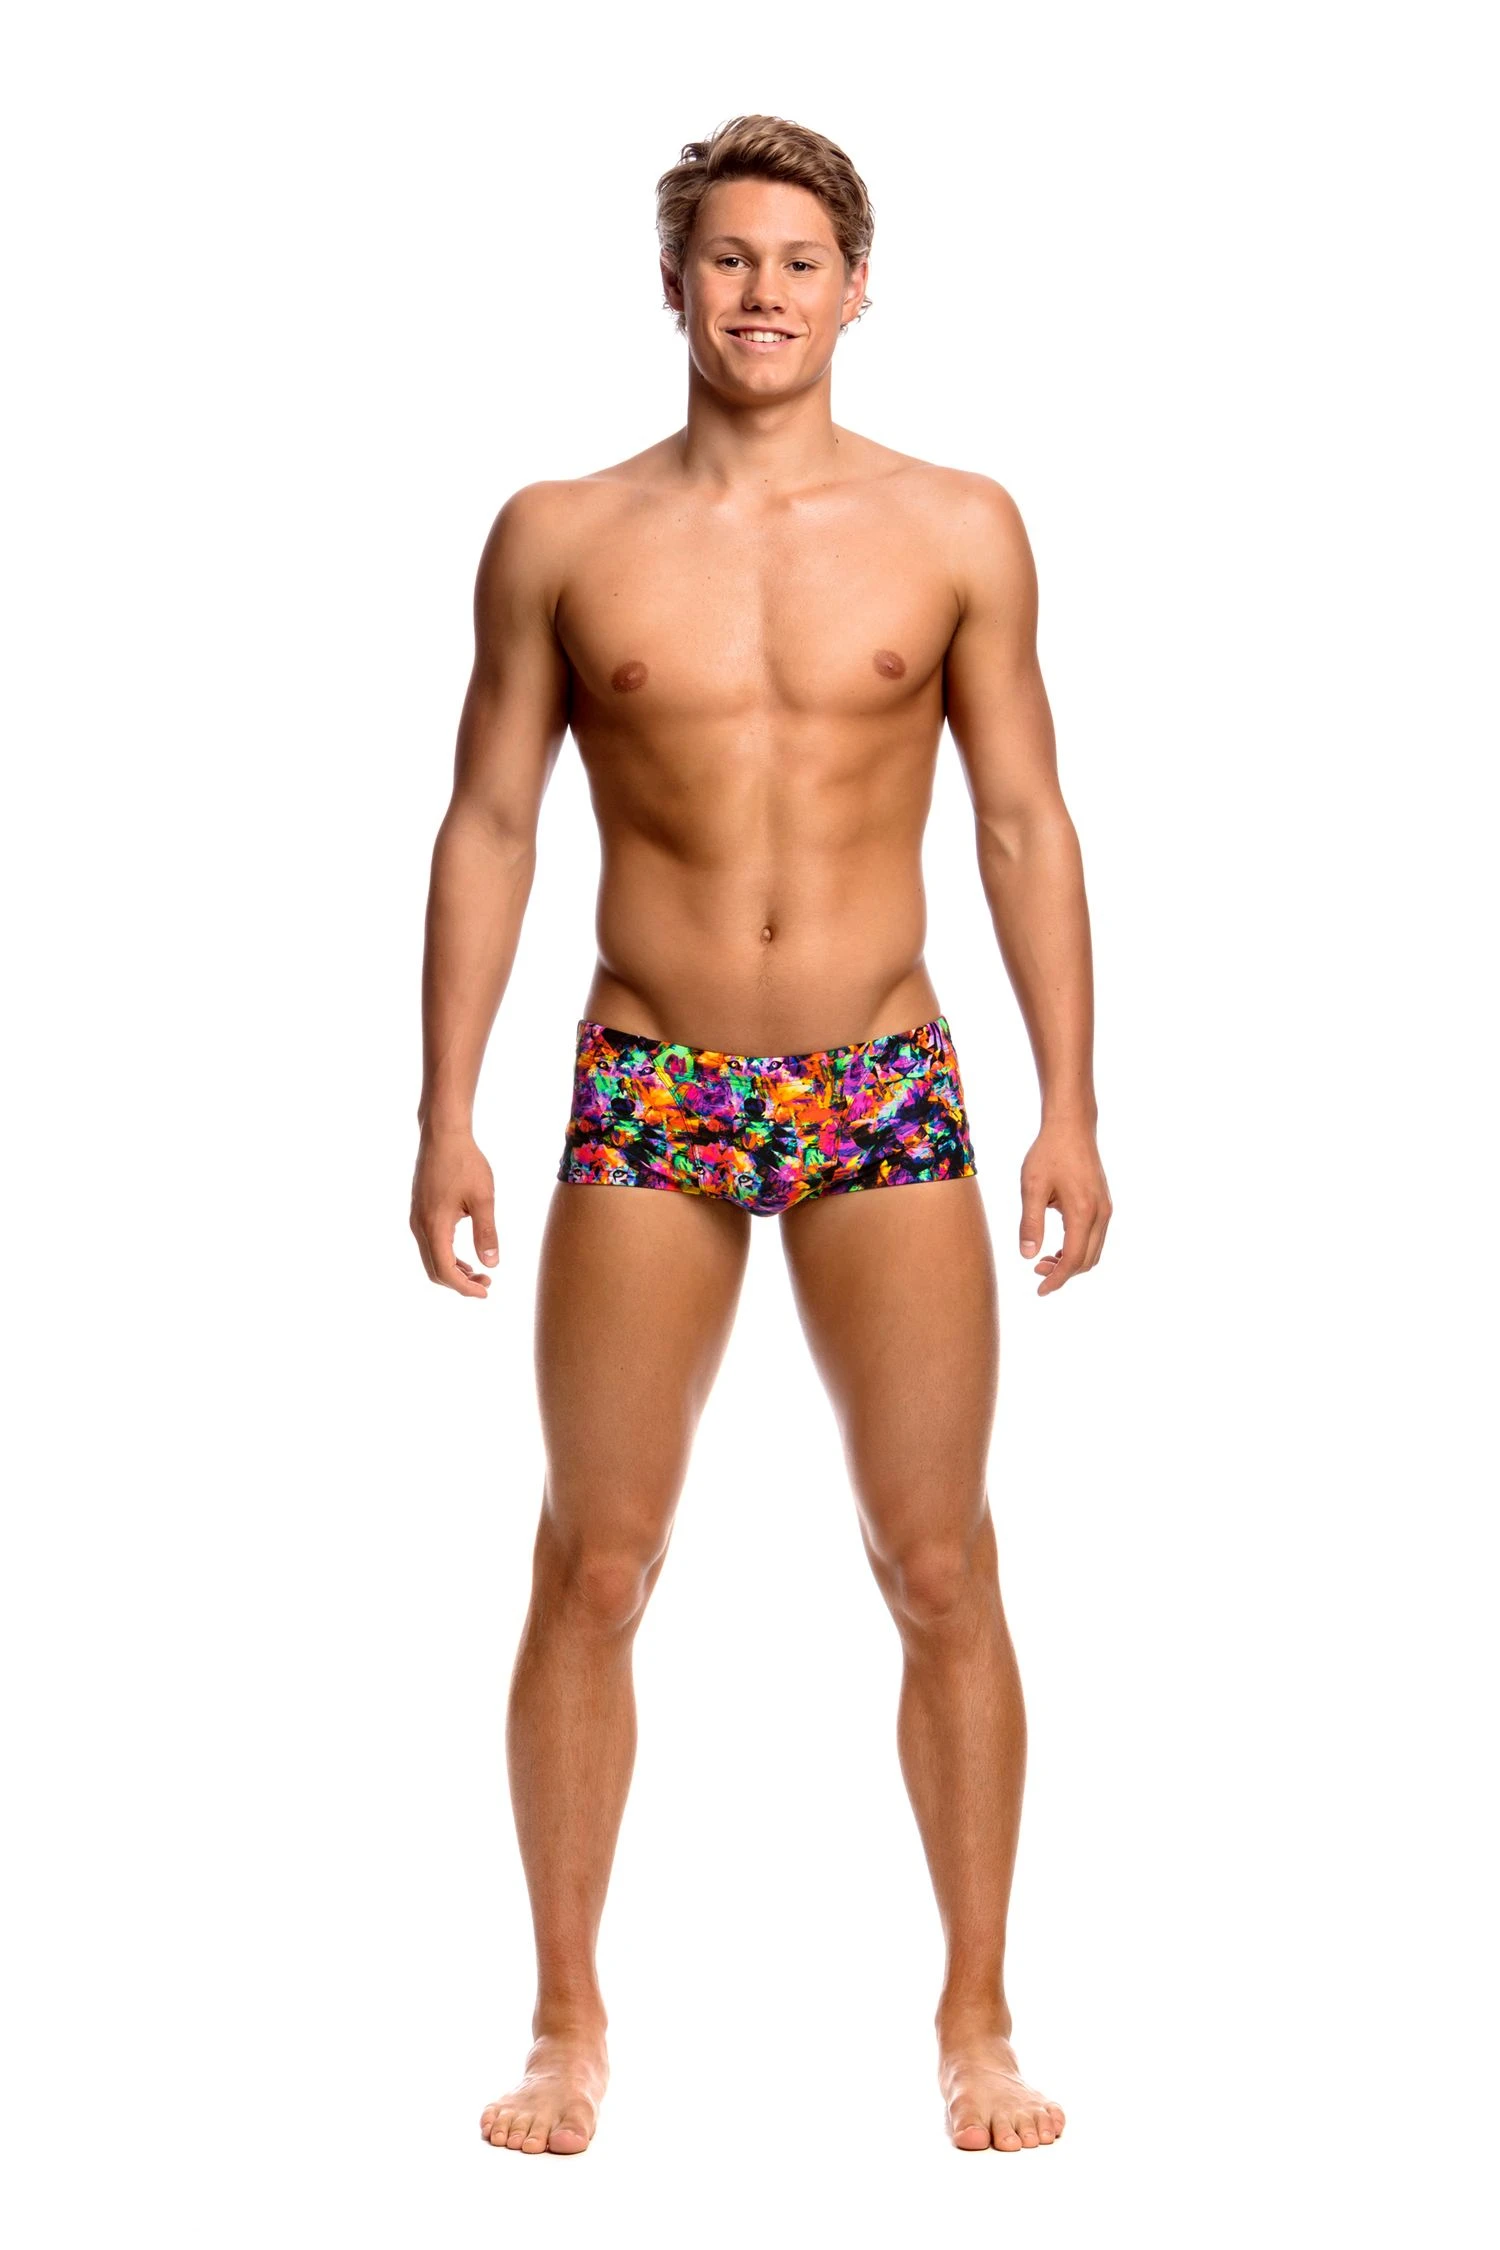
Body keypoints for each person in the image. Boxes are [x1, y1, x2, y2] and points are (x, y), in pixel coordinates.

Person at [410, 114, 1111, 2156]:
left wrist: (1071, 1102)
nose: (764, 292)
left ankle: (977, 2019)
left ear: (858, 287)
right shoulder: (561, 533)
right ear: (675, 285)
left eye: (800, 259)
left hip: (880, 1080)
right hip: (655, 1079)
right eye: (729, 258)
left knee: (939, 1560)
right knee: (599, 1559)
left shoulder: (958, 524)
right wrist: (444, 1109)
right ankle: (565, 2023)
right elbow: (490, 821)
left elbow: (1021, 821)